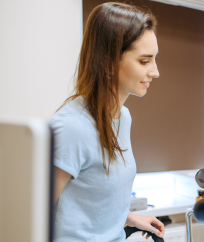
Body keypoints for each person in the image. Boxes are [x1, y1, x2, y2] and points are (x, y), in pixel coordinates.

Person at [49, 2, 163, 241]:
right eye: (144, 61)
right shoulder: (72, 127)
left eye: (154, 59)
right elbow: (33, 216)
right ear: (106, 62)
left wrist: (128, 217)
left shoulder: (123, 117)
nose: (155, 71)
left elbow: (91, 197)